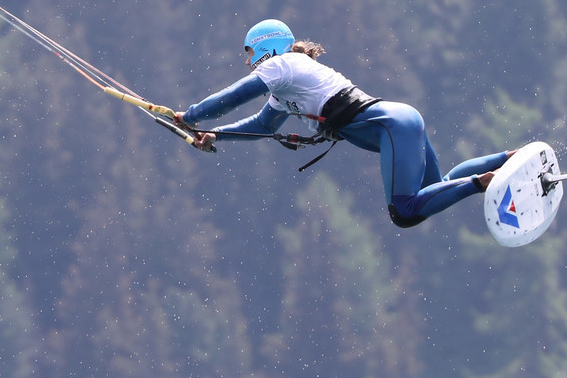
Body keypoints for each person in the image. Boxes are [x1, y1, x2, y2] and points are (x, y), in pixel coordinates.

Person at [175, 19, 512, 229]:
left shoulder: (281, 65)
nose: (248, 62)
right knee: (435, 189)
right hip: (402, 119)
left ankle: (481, 183)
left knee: (404, 212)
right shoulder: (284, 88)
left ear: (267, 48)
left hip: (390, 127)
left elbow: (232, 97)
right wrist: (214, 134)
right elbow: (263, 126)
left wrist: (192, 115)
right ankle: (507, 159)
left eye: (250, 52)